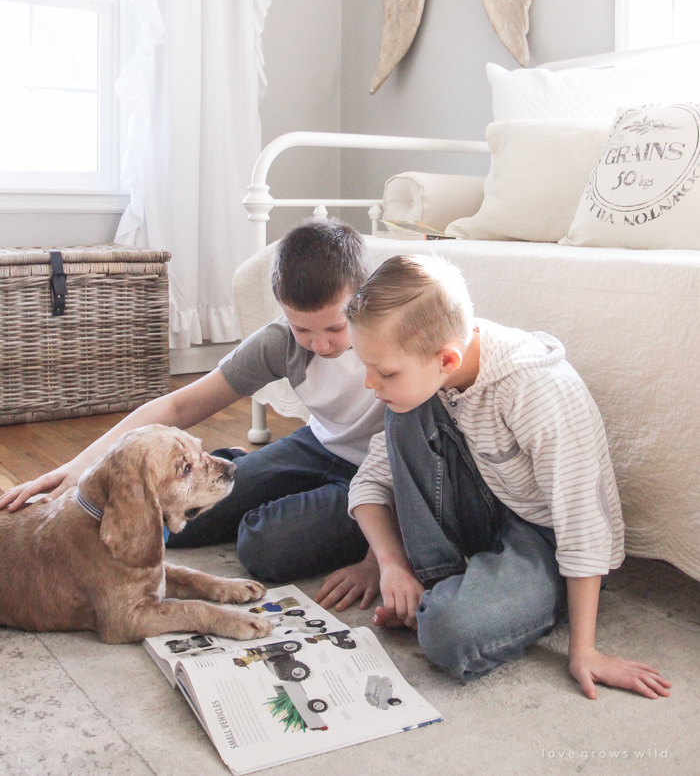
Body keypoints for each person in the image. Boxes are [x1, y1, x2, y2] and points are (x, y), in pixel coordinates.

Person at [0, 220, 383, 608]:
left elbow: (416, 463)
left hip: (381, 471)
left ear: (363, 298)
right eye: (302, 329)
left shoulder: (396, 342)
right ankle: (238, 468)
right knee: (169, 522)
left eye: (335, 327)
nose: (319, 344)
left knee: (263, 545)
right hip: (317, 444)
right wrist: (81, 465)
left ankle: (277, 488)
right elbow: (179, 405)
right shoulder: (280, 342)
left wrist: (377, 563)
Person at [343, 254, 671, 700]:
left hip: (548, 535)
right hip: (491, 499)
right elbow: (373, 480)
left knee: (446, 633)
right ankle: (437, 583)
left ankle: (451, 601)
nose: (368, 384)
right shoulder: (424, 380)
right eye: (365, 366)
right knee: (404, 413)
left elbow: (584, 523)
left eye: (383, 372)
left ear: (446, 359)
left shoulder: (535, 389)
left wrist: (585, 651)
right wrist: (389, 565)